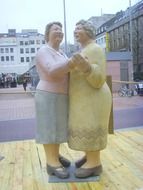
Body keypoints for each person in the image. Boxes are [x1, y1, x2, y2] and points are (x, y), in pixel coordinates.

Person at [68, 20, 112, 178]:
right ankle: (89, 156)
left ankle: (94, 163)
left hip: (94, 98)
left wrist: (87, 68)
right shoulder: (84, 49)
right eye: (75, 28)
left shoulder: (96, 49)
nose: (75, 31)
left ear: (88, 31)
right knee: (85, 126)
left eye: (79, 28)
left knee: (91, 126)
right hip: (84, 99)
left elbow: (99, 79)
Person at [35, 22, 73, 179]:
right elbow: (52, 70)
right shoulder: (44, 51)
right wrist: (72, 63)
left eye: (61, 30)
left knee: (58, 128)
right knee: (49, 128)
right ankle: (51, 163)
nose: (59, 32)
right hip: (48, 95)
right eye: (55, 29)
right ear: (47, 34)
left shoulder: (62, 53)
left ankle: (55, 155)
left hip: (61, 95)